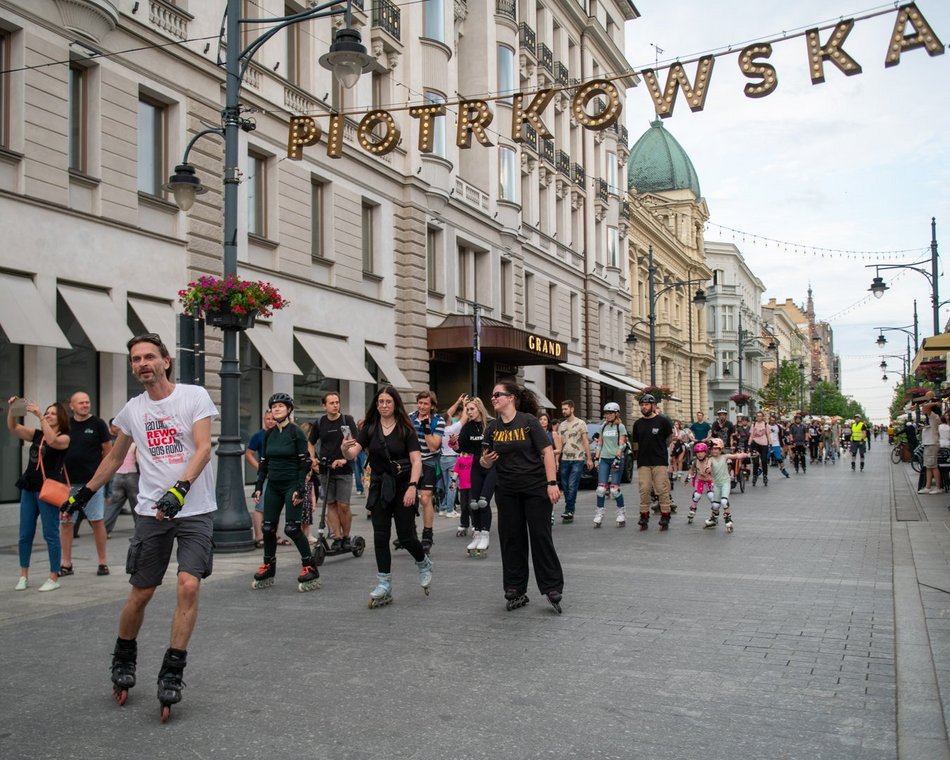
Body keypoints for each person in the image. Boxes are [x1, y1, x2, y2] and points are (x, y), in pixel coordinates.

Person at [60, 333, 218, 717]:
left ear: (165, 360)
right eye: (135, 359)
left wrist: (179, 490)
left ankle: (172, 671)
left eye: (149, 357)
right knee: (142, 592)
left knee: (189, 583)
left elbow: (203, 447)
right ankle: (124, 657)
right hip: (150, 512)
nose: (142, 364)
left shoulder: (193, 396)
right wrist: (84, 493)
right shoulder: (133, 409)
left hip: (193, 509)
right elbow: (115, 457)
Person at [342, 385, 432, 608]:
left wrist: (413, 486)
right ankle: (384, 583)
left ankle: (423, 562)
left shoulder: (405, 429)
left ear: (395, 404)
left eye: (388, 402)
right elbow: (353, 454)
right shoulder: (370, 428)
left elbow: (416, 461)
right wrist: (345, 449)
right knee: (380, 536)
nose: (383, 406)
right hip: (380, 487)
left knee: (406, 536)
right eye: (380, 402)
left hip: (403, 487)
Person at [480, 381, 564, 613]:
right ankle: (515, 587)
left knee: (540, 536)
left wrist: (552, 483)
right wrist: (486, 461)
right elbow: (484, 460)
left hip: (535, 489)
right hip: (506, 491)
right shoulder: (492, 427)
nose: (493, 398)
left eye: (498, 394)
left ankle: (551, 587)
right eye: (492, 395)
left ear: (511, 398)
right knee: (511, 539)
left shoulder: (529, 422)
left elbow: (547, 452)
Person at [250, 394, 319, 592]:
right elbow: (264, 463)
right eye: (273, 407)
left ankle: (310, 566)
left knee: (291, 528)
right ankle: (269, 566)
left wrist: (299, 488)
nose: (276, 409)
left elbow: (304, 462)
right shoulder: (269, 434)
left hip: (291, 485)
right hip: (273, 486)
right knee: (268, 528)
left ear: (289, 410)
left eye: (281, 406)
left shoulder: (295, 432)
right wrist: (258, 486)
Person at [8, 398, 69, 591]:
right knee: (25, 534)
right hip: (29, 487)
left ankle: (53, 576)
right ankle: (23, 575)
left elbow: (52, 441)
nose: (48, 415)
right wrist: (13, 410)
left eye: (52, 413)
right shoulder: (37, 435)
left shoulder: (65, 438)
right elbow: (14, 428)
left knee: (50, 534)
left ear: (60, 418)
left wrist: (39, 415)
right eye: (47, 413)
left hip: (48, 490)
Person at [59, 391, 112, 576]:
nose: (85, 405)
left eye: (87, 402)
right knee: (66, 522)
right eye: (80, 403)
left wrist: (102, 475)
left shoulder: (98, 424)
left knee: (96, 521)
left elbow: (108, 451)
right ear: (72, 406)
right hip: (68, 484)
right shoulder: (66, 425)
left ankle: (102, 562)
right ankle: (66, 563)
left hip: (92, 484)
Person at [307, 391, 358, 551]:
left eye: (337, 402)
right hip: (325, 469)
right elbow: (310, 442)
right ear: (324, 406)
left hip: (344, 469)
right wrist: (312, 458)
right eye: (332, 403)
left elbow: (353, 443)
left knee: (343, 505)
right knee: (331, 505)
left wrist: (344, 459)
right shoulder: (320, 423)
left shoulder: (346, 420)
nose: (335, 405)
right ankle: (337, 537)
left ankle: (346, 536)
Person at [453, 397, 495, 556]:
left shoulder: (491, 424)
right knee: (474, 503)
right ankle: (477, 534)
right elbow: (461, 448)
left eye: (471, 409)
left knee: (484, 502)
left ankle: (485, 534)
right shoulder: (467, 427)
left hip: (491, 466)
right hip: (476, 467)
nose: (469, 412)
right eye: (467, 410)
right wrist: (455, 444)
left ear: (479, 408)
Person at [631, 393, 674, 531]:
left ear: (653, 405)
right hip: (643, 462)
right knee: (644, 490)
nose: (644, 407)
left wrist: (664, 452)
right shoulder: (637, 424)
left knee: (662, 489)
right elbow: (636, 444)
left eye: (646, 404)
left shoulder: (662, 421)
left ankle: (665, 515)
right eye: (642, 405)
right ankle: (644, 516)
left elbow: (669, 438)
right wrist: (637, 458)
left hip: (659, 461)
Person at [409, 390, 444, 553]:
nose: (422, 406)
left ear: (432, 406)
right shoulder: (409, 418)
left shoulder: (438, 420)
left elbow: (433, 446)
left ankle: (427, 535)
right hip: (410, 463)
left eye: (426, 404)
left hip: (429, 462)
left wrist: (427, 428)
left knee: (425, 499)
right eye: (420, 403)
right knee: (408, 499)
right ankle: (409, 533)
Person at [557, 400, 593, 523]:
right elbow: (559, 445)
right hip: (565, 459)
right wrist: (557, 461)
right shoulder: (561, 425)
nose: (563, 411)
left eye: (566, 409)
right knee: (565, 486)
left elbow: (585, 441)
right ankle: (569, 508)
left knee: (572, 485)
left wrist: (589, 458)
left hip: (578, 459)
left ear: (572, 409)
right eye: (562, 409)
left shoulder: (581, 423)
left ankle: (569, 509)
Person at [592, 402, 628, 527]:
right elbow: (600, 444)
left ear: (616, 413)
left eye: (610, 413)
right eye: (606, 413)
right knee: (601, 489)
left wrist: (618, 457)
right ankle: (599, 513)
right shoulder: (603, 427)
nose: (607, 415)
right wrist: (596, 458)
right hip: (604, 459)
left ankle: (621, 512)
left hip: (616, 459)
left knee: (614, 489)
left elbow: (622, 444)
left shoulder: (620, 427)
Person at [703, 438, 750, 533]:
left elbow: (736, 456)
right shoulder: (710, 459)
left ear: (720, 449)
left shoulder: (725, 456)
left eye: (716, 449)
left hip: (725, 482)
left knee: (724, 501)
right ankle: (713, 519)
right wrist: (707, 469)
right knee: (715, 504)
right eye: (712, 449)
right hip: (716, 484)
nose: (714, 450)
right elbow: (707, 465)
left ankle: (728, 519)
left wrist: (745, 454)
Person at [245, 410, 276, 548]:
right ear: (264, 419)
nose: (270, 421)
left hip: (277, 474)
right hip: (264, 475)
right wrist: (259, 467)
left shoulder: (278, 434)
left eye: (272, 419)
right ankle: (259, 536)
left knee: (275, 506)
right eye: (267, 418)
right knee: (260, 506)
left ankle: (273, 534)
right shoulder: (258, 435)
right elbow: (249, 454)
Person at [103, 420, 139, 535]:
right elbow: (139, 460)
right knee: (136, 504)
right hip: (132, 475)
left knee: (113, 505)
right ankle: (140, 530)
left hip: (117, 476)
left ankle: (104, 530)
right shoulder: (134, 445)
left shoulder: (116, 446)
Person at [438, 394, 467, 517]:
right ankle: (450, 510)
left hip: (442, 458)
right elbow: (464, 417)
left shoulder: (439, 429)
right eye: (450, 417)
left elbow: (447, 413)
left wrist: (457, 401)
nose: (451, 416)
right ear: (448, 420)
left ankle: (443, 508)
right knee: (452, 485)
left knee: (446, 485)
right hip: (452, 460)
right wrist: (464, 404)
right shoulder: (452, 429)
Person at [686, 442, 713, 525]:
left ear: (706, 452)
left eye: (701, 452)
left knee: (711, 496)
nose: (700, 454)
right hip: (700, 479)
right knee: (697, 495)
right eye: (697, 453)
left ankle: (714, 514)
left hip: (709, 480)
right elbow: (692, 469)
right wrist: (688, 477)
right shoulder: (695, 461)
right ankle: (693, 508)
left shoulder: (710, 460)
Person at [918, 403, 942, 493]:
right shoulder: (931, 418)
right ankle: (928, 487)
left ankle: (938, 487)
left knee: (933, 466)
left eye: (923, 409)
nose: (923, 410)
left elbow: (927, 406)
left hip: (932, 443)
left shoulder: (933, 416)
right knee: (928, 466)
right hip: (929, 444)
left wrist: (934, 403)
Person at [749, 411, 771, 487]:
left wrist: (770, 444)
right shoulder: (754, 424)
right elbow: (751, 435)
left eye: (760, 416)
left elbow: (768, 435)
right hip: (755, 444)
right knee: (755, 462)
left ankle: (765, 475)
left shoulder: (766, 424)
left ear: (763, 417)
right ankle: (755, 476)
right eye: (757, 416)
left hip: (764, 444)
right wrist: (749, 444)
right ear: (756, 417)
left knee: (764, 460)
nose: (759, 417)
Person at [767, 414, 791, 478]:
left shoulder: (778, 426)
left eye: (773, 420)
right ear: (769, 420)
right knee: (765, 459)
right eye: (771, 420)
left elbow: (785, 429)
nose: (772, 421)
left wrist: (787, 424)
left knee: (779, 458)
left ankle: (783, 469)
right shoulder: (766, 426)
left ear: (775, 420)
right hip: (768, 444)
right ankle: (760, 470)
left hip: (776, 444)